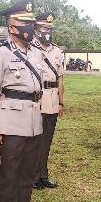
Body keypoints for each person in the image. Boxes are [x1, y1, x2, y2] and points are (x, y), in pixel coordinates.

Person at [0, 0, 48, 202]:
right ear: (12, 27)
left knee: (28, 172)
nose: (30, 27)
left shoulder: (36, 53)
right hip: (11, 120)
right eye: (25, 23)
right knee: (10, 173)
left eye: (32, 22)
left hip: (34, 119)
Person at [32, 12, 64, 190]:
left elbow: (60, 79)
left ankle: (43, 175)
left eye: (50, 29)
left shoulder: (57, 51)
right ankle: (33, 176)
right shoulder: (30, 48)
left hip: (51, 98)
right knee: (35, 140)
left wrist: (61, 102)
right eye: (44, 28)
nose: (48, 32)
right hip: (36, 98)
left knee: (47, 140)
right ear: (36, 29)